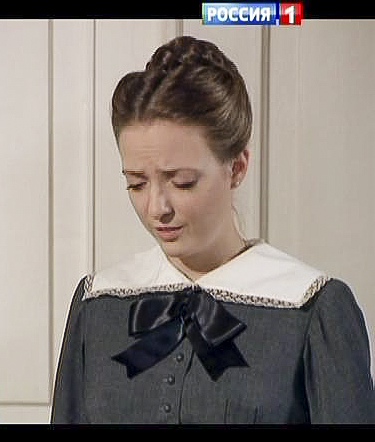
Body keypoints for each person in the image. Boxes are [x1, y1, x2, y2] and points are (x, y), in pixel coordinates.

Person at [51, 36, 375, 424]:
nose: (157, 208)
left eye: (182, 182)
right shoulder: (97, 304)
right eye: (136, 183)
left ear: (236, 168)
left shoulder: (311, 309)